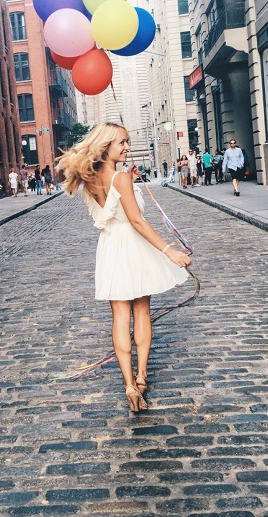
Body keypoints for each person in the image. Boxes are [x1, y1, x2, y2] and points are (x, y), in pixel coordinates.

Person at [56, 123, 191, 413]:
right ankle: (141, 378)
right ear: (106, 147)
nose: (127, 147)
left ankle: (128, 383)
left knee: (119, 316)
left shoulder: (89, 180)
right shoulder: (121, 179)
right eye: (122, 143)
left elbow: (114, 206)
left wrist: (125, 180)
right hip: (133, 246)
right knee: (141, 310)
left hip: (109, 248)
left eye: (127, 142)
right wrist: (170, 251)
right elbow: (137, 221)